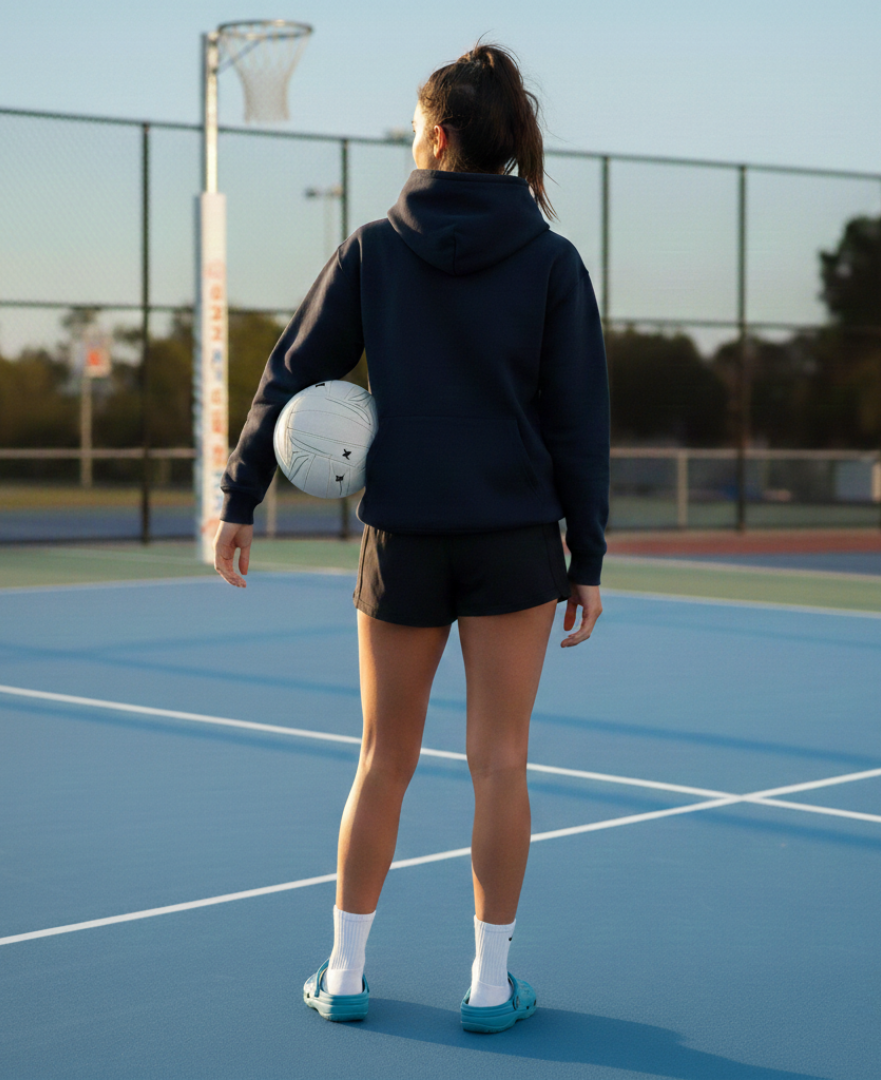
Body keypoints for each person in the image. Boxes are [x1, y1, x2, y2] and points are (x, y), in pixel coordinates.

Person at [213, 42, 610, 1034]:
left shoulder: (373, 248)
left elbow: (291, 371)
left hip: (404, 535)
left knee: (383, 757)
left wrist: (240, 494)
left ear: (436, 136)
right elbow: (579, 420)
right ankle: (487, 986)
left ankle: (345, 974)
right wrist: (588, 557)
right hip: (516, 538)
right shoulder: (553, 262)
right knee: (501, 762)